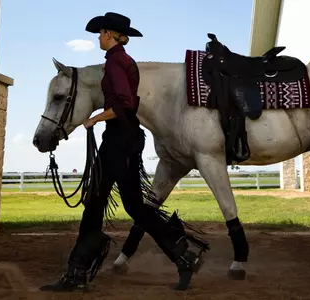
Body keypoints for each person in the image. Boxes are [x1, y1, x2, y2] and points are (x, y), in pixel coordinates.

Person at [39, 12, 209, 292]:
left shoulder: (117, 63)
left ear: (109, 34)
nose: (98, 38)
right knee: (132, 206)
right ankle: (183, 255)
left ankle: (77, 272)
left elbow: (124, 104)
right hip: (126, 138)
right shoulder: (123, 61)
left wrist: (94, 119)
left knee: (97, 201)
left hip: (119, 139)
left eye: (101, 33)